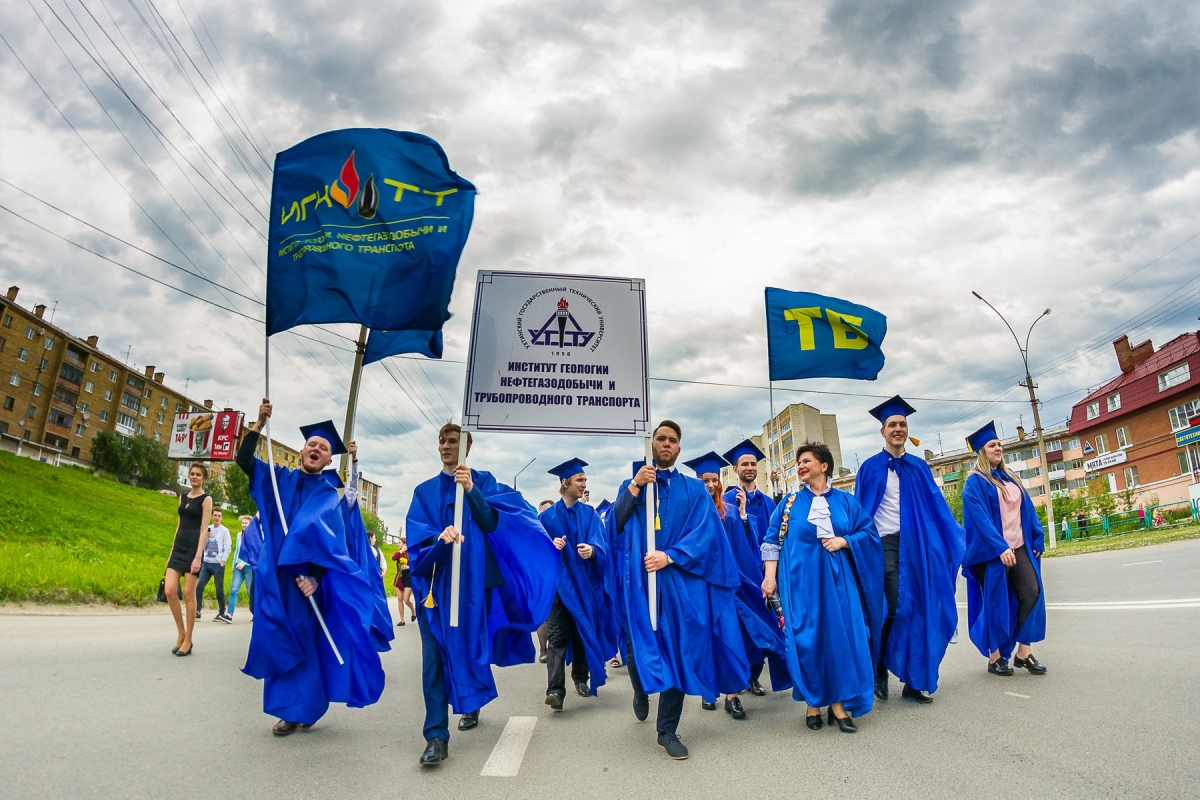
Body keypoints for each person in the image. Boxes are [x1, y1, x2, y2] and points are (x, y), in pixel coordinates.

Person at [406, 423, 558, 767]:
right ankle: (435, 736)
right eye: (443, 441)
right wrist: (438, 539)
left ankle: (470, 700)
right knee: (434, 658)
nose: (446, 446)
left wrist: (471, 490)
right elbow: (418, 537)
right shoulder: (424, 491)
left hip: (475, 585)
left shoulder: (484, 481)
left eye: (454, 442)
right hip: (437, 588)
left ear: (467, 448)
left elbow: (493, 523)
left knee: (472, 648)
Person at [238, 399, 392, 736]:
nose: (317, 449)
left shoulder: (328, 495)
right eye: (312, 444)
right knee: (277, 638)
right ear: (302, 450)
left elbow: (334, 546)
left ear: (327, 460)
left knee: (304, 642)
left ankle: (297, 710)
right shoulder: (279, 480)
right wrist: (258, 424)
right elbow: (244, 460)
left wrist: (316, 578)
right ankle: (292, 707)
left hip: (306, 583)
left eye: (323, 448)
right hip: (275, 577)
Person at [611, 420, 748, 760]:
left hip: (678, 579)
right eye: (661, 439)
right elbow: (614, 523)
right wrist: (634, 487)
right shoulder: (636, 484)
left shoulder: (694, 489)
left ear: (679, 449)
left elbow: (706, 534)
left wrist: (670, 556)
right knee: (637, 645)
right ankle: (641, 688)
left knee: (676, 649)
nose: (666, 444)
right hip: (642, 581)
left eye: (673, 440)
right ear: (652, 444)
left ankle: (666, 730)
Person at [761, 442, 884, 734]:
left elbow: (869, 533)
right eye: (799, 463)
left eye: (806, 461)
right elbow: (771, 541)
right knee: (808, 641)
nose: (800, 466)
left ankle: (839, 707)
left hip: (841, 586)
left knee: (842, 641)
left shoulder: (845, 501)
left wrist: (845, 541)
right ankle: (812, 704)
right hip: (801, 584)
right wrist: (769, 578)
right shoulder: (789, 503)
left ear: (824, 465)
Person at [855, 396, 965, 704]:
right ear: (883, 431)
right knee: (895, 607)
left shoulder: (919, 467)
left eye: (902, 424)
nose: (898, 429)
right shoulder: (870, 468)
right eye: (892, 425)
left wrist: (951, 540)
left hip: (917, 544)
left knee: (921, 609)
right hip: (885, 544)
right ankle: (879, 667)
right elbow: (860, 512)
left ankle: (914, 680)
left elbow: (937, 508)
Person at [686, 451, 790, 721]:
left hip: (730, 582)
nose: (710, 485)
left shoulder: (730, 510)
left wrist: (744, 517)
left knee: (732, 635)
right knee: (706, 639)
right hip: (701, 584)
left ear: (720, 480)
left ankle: (732, 695)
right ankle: (709, 692)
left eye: (713, 480)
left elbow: (745, 548)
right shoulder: (689, 512)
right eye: (704, 480)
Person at [961, 421, 1048, 678]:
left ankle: (1023, 652)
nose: (998, 448)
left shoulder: (1012, 478)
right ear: (981, 451)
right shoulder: (974, 483)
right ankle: (995, 657)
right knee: (996, 603)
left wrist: (1037, 538)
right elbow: (980, 520)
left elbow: (1028, 511)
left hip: (1019, 546)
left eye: (999, 444)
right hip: (993, 553)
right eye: (992, 445)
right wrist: (999, 547)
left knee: (1032, 592)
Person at [539, 458, 615, 711]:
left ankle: (581, 678)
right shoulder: (547, 517)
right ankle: (555, 690)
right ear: (565, 483)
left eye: (584, 480)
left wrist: (592, 551)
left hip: (584, 585)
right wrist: (551, 548)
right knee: (557, 636)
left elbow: (601, 544)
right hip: (559, 588)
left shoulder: (589, 514)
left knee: (583, 632)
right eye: (579, 480)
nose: (584, 484)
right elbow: (536, 551)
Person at [720, 438, 776, 696]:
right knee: (743, 627)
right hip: (741, 574)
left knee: (767, 622)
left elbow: (776, 537)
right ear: (735, 469)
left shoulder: (768, 501)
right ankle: (739, 676)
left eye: (753, 463)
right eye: (745, 464)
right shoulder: (726, 500)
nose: (750, 467)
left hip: (767, 572)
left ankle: (754, 675)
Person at [163, 463, 212, 656]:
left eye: (198, 474)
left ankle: (189, 639)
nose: (194, 477)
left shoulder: (206, 499)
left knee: (189, 594)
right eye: (192, 474)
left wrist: (198, 556)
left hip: (194, 549)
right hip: (178, 549)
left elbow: (203, 529)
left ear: (204, 478)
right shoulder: (182, 497)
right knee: (169, 590)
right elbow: (178, 525)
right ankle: (181, 632)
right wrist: (170, 552)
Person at [195, 508, 231, 621]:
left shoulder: (224, 531)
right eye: (215, 515)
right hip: (206, 562)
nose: (217, 518)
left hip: (217, 564)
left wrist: (223, 560)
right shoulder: (208, 529)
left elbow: (228, 546)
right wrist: (206, 537)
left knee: (219, 589)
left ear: (221, 518)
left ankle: (221, 612)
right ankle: (197, 610)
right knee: (199, 585)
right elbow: (203, 545)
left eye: (219, 516)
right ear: (212, 516)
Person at [226, 515, 258, 622]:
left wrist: (244, 563)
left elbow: (252, 552)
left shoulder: (253, 536)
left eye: (246, 523)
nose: (244, 524)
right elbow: (237, 551)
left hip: (249, 567)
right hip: (238, 566)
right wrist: (233, 564)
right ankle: (229, 614)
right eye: (243, 523)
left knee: (250, 591)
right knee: (234, 589)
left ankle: (256, 614)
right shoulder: (239, 535)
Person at [391, 542, 415, 626]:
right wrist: (401, 551)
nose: (398, 544)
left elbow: (415, 564)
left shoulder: (411, 553)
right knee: (400, 599)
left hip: (408, 578)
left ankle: (413, 611)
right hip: (399, 578)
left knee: (406, 599)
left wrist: (408, 567)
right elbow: (393, 558)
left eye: (399, 543)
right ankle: (402, 619)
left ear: (405, 544)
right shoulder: (399, 553)